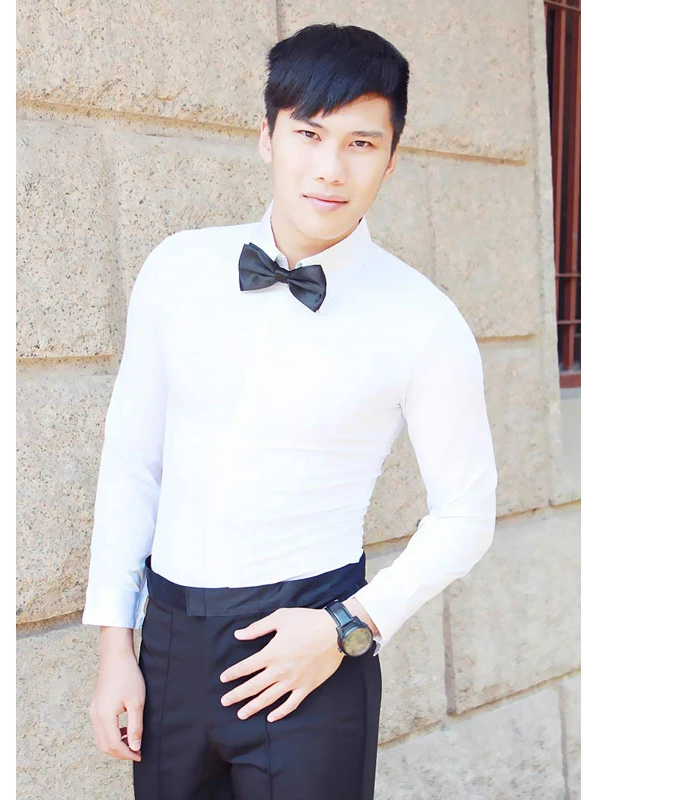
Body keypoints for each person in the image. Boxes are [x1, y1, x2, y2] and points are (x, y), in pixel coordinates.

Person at [82, 22, 498, 800]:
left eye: (361, 143)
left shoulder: (424, 321)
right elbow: (133, 463)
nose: (331, 168)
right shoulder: (176, 270)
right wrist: (116, 649)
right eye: (309, 133)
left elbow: (467, 514)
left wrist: (349, 626)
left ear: (392, 158)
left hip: (309, 649)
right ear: (267, 136)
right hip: (166, 650)